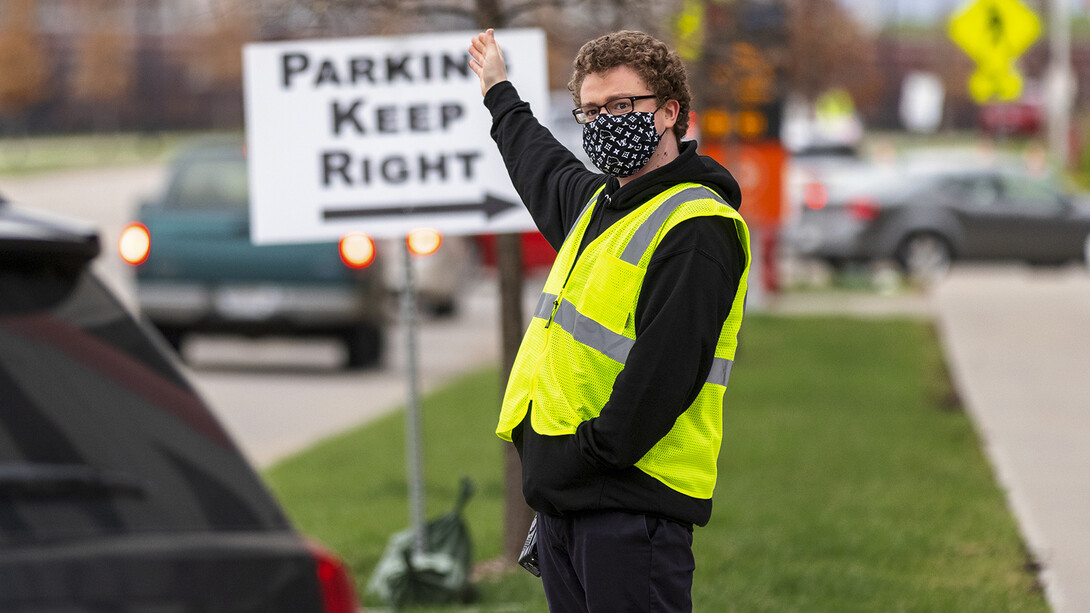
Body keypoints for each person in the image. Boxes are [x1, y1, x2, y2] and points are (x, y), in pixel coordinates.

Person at [468, 28, 752, 612]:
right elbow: (537, 162)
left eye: (622, 105)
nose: (604, 122)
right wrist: (498, 88)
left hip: (628, 511)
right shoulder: (601, 206)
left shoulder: (697, 227)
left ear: (671, 112)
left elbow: (663, 375)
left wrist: (585, 457)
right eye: (591, 110)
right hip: (572, 506)